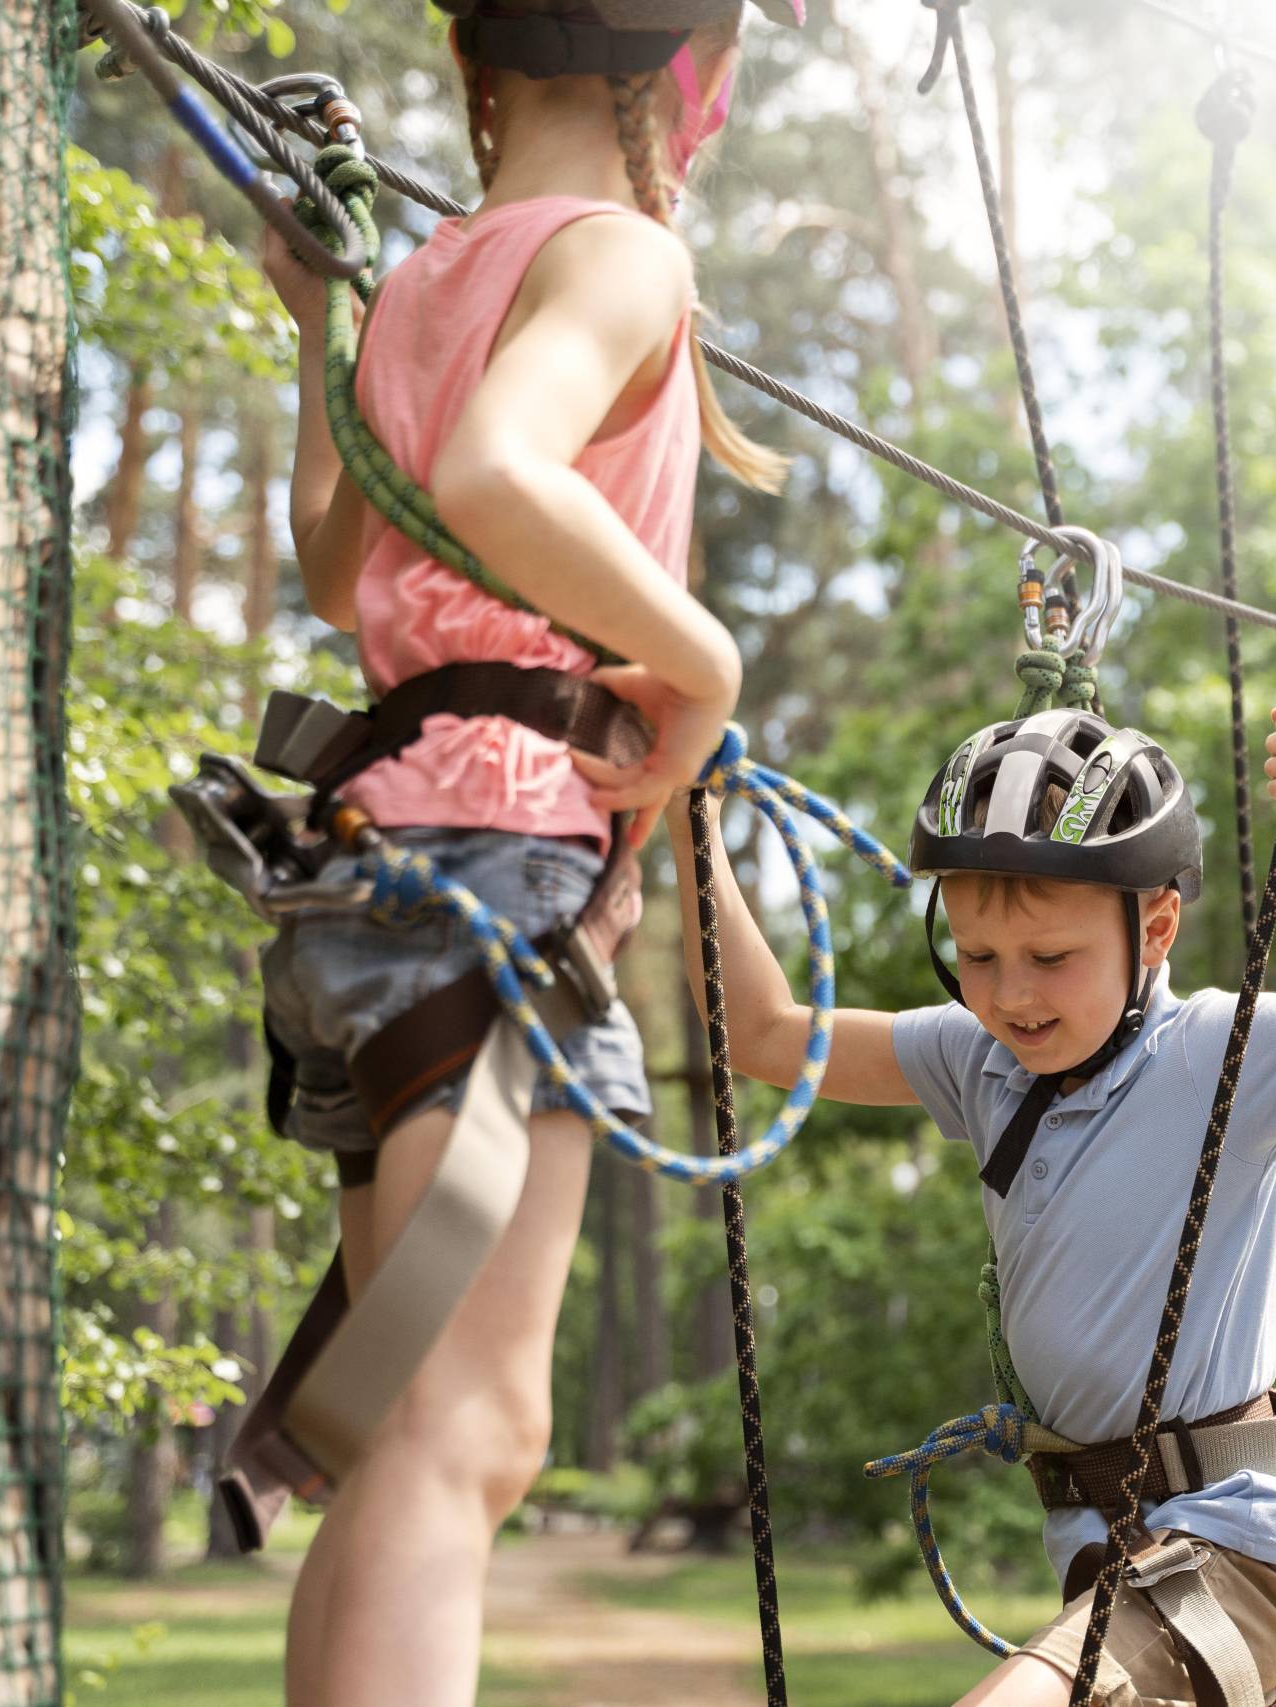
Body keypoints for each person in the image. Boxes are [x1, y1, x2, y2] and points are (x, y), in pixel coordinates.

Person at [249, 3, 797, 1701]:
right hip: (495, 864)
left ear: (483, 67)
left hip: (377, 869)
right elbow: (493, 474)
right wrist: (701, 663)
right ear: (685, 83)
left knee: (402, 1419)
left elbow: (347, 576)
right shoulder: (623, 256)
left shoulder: (431, 275)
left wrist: (318, 324)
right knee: (465, 1431)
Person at [673, 703, 1276, 1706]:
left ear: (1154, 926)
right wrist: (683, 822)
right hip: (1103, 1548)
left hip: (1237, 1545)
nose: (1009, 996)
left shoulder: (1224, 1051)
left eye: (1050, 959)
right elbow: (767, 1034)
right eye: (976, 958)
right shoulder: (979, 1060)